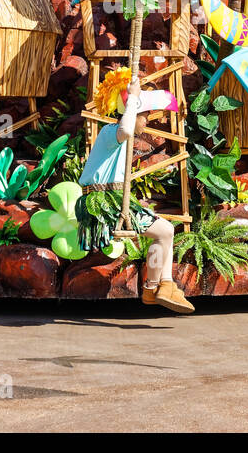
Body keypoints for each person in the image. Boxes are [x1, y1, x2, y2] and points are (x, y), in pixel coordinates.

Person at [76, 84, 192, 314]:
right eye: (144, 116)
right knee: (165, 231)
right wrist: (133, 100)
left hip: (113, 197)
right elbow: (126, 130)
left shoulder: (119, 137)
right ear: (132, 113)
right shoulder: (111, 133)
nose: (146, 122)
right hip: (103, 200)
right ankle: (159, 287)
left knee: (166, 231)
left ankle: (158, 287)